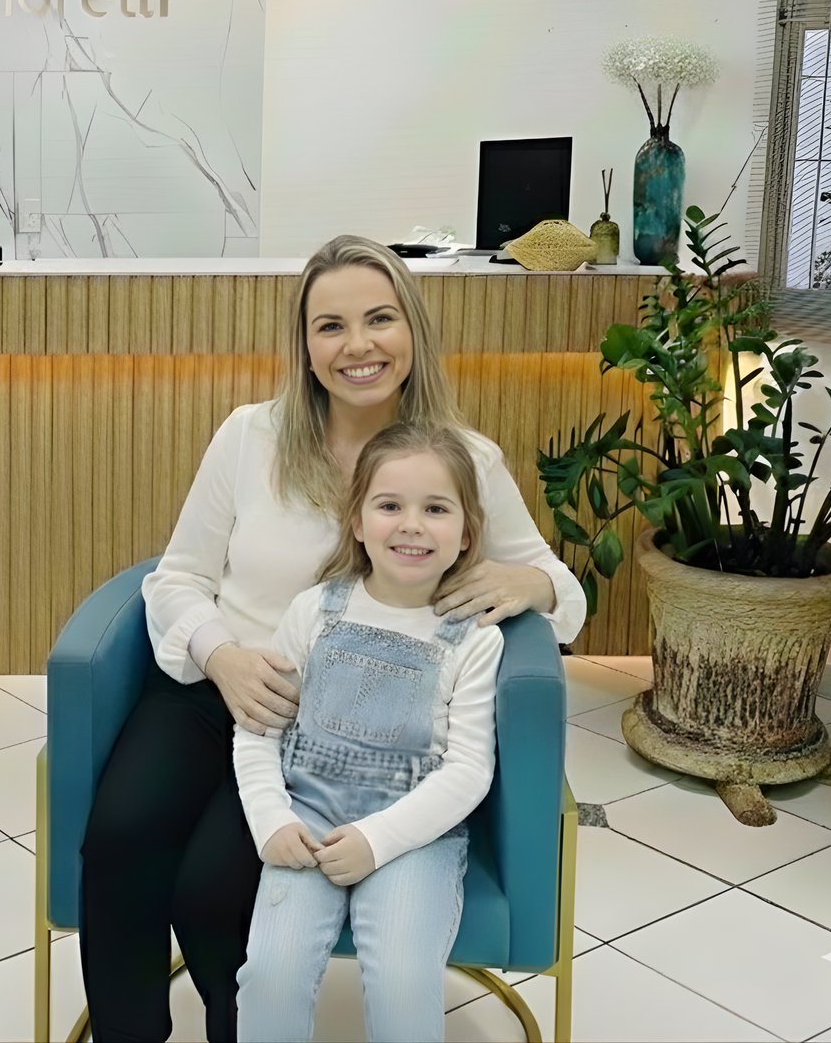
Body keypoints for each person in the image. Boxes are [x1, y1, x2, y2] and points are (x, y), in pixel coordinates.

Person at [78, 235, 585, 1042]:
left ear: (412, 330)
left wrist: (531, 582)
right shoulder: (249, 436)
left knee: (214, 888)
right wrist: (223, 657)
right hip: (219, 689)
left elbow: (564, 594)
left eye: (379, 319)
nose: (357, 345)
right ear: (305, 346)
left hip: (346, 736)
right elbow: (173, 579)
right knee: (118, 839)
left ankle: (230, 1025)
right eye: (330, 326)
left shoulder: (465, 460)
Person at [234, 423, 504, 1042]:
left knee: (405, 979)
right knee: (271, 972)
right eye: (390, 506)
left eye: (435, 509)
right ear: (357, 521)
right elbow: (257, 730)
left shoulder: (474, 640)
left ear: (466, 534)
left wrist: (378, 840)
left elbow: (468, 771)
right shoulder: (313, 611)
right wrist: (270, 820)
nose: (412, 524)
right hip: (306, 818)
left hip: (415, 833)